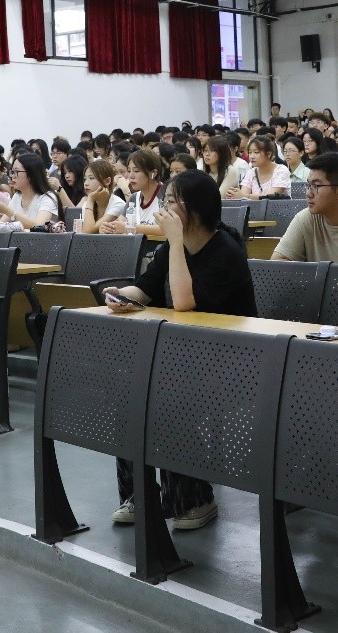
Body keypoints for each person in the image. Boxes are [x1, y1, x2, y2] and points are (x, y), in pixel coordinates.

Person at [105, 170, 258, 531]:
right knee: (129, 394)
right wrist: (119, 296)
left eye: (172, 201)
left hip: (232, 363)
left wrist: (174, 243)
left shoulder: (225, 251)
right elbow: (145, 289)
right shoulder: (171, 249)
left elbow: (185, 302)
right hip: (185, 358)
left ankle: (195, 500)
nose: (165, 207)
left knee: (169, 399)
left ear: (197, 210)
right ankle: (139, 495)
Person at [0, 153, 60, 231]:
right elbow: (1, 225)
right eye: (12, 172)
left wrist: (9, 212)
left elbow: (39, 227)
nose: (12, 176)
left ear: (31, 174)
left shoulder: (47, 197)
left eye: (16, 171)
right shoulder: (17, 196)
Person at [103, 149, 165, 236]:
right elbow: (120, 223)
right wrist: (108, 228)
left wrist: (130, 228)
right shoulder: (134, 197)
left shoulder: (165, 195)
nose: (131, 176)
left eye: (136, 171)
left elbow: (167, 229)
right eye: (129, 171)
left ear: (153, 173)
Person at [78, 159, 128, 232]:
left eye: (91, 178)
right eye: (85, 179)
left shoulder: (118, 204)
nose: (86, 183)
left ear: (107, 181)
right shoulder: (87, 204)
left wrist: (90, 199)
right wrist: (90, 201)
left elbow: (88, 231)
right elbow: (84, 234)